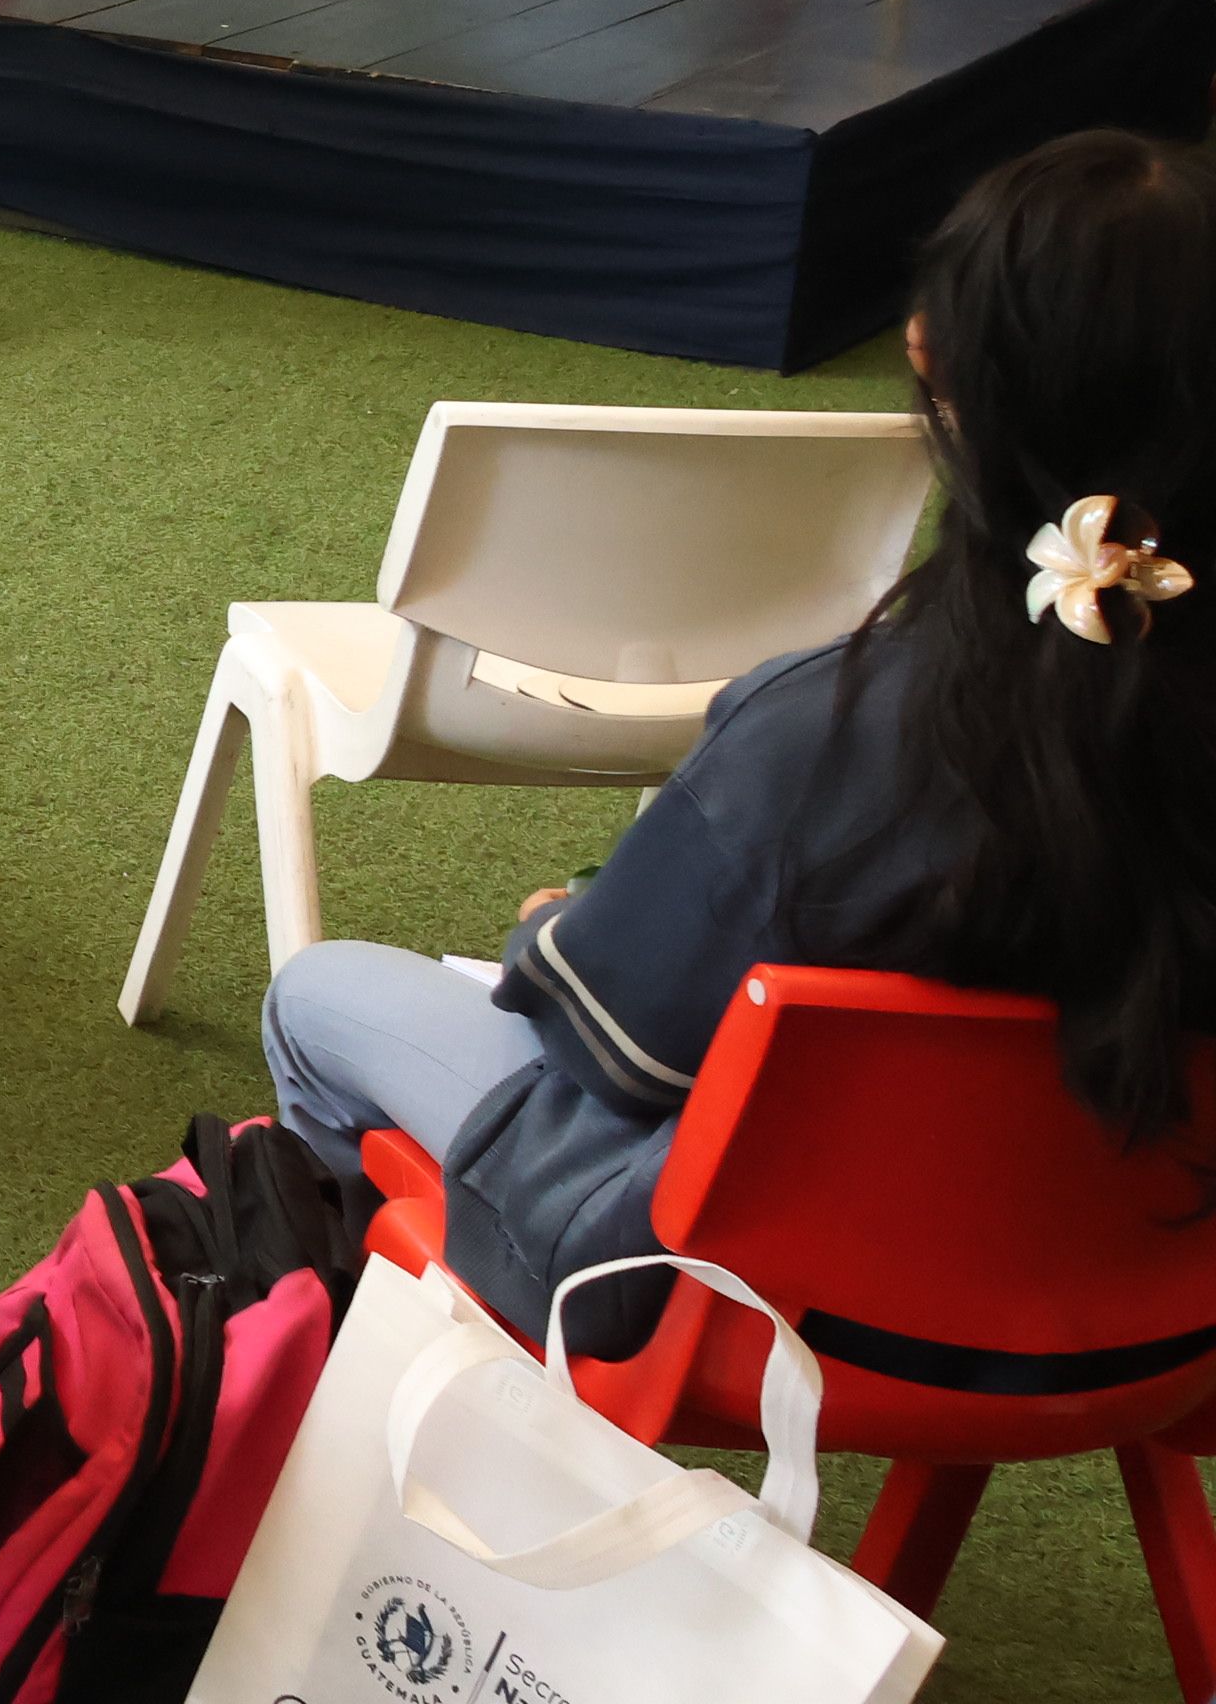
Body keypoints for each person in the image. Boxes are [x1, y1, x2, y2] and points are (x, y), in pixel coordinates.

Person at [262, 125, 1216, 1359]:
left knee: (314, 995)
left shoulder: (825, 730)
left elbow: (619, 1046)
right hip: (1144, 1307)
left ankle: (347, 1400)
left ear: (945, 368)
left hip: (750, 1303)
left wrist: (550, 933)